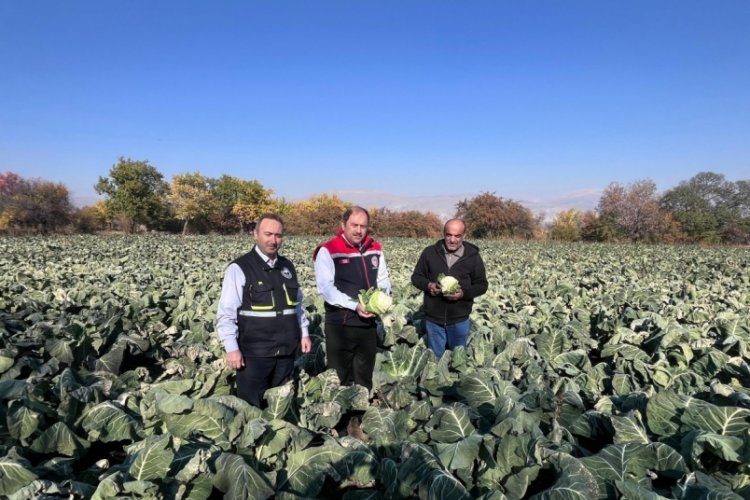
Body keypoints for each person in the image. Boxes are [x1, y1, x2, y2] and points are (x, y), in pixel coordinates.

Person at [216, 213, 311, 407]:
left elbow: (297, 305)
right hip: (255, 354)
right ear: (255, 234)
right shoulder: (240, 268)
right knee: (252, 408)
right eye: (268, 234)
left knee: (279, 407)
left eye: (278, 235)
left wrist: (305, 333)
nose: (273, 240)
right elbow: (226, 312)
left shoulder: (287, 267)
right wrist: (232, 349)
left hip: (285, 352)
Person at [313, 206, 391, 390]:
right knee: (340, 376)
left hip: (368, 324)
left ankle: (359, 416)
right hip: (341, 325)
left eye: (363, 226)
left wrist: (382, 299)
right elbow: (326, 289)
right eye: (354, 225)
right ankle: (341, 418)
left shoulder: (375, 247)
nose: (358, 230)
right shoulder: (329, 250)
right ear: (343, 225)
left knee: (364, 375)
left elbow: (383, 279)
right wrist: (354, 305)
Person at [411, 218, 488, 359]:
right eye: (449, 235)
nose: (452, 240)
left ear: (464, 236)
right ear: (443, 234)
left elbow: (482, 285)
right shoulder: (429, 253)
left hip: (459, 320)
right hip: (433, 320)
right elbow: (416, 277)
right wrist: (429, 286)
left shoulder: (473, 257)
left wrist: (463, 294)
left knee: (458, 360)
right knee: (435, 360)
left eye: (457, 236)